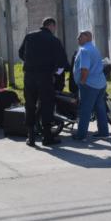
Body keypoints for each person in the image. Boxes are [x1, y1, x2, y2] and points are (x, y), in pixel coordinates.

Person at [18, 17, 69, 146]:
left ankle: (31, 137)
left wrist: (30, 62)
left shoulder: (29, 37)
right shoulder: (54, 40)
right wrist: (55, 73)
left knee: (30, 105)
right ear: (51, 26)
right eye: (54, 28)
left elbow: (20, 53)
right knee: (47, 105)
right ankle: (47, 137)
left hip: (29, 76)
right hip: (45, 77)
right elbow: (62, 62)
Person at [72, 31, 109, 140]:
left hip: (89, 84)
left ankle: (81, 135)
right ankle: (104, 132)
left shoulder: (84, 50)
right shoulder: (94, 48)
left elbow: (85, 68)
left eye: (80, 36)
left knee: (85, 110)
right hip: (101, 83)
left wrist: (82, 81)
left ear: (87, 37)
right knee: (100, 108)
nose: (78, 38)